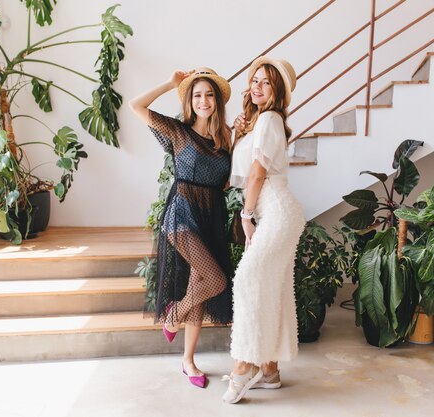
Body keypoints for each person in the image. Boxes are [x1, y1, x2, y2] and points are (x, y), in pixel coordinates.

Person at [129, 68, 234, 389]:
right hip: (181, 214)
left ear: (217, 101)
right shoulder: (177, 131)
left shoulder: (225, 137)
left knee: (200, 285)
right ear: (190, 100)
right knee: (214, 280)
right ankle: (175, 314)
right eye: (197, 95)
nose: (204, 100)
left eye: (209, 94)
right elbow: (136, 106)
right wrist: (171, 84)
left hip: (210, 216)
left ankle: (188, 361)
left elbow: (230, 181)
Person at [222, 57, 306, 403]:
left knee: (248, 281)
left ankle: (244, 367)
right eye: (254, 80)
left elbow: (257, 175)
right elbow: (238, 173)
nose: (255, 86)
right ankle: (269, 370)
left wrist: (246, 215)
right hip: (275, 211)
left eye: (265, 83)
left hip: (276, 210)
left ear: (278, 92)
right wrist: (239, 133)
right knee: (272, 287)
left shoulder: (271, 118)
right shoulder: (260, 122)